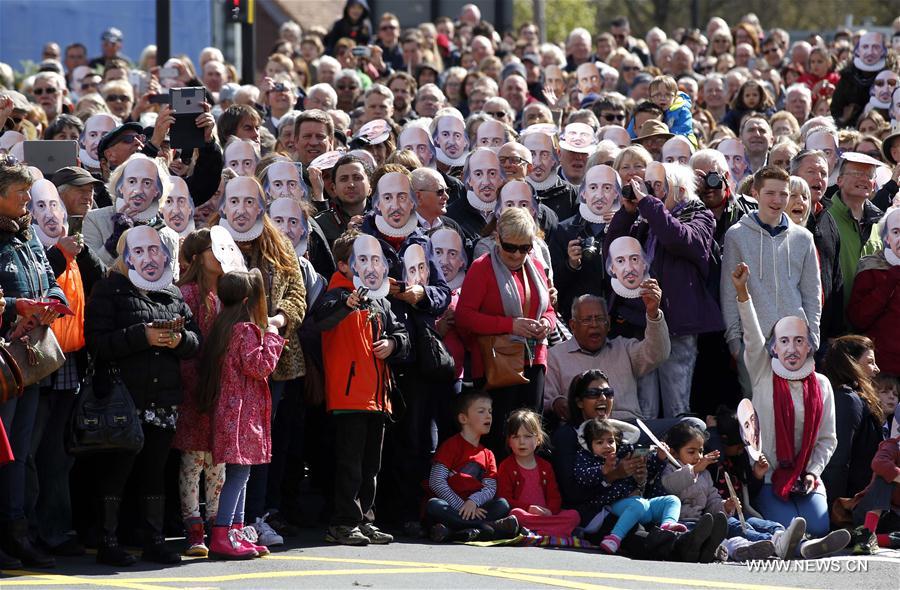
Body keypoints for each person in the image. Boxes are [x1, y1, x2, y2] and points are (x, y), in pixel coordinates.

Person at [84, 225, 200, 566]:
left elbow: (195, 343)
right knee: (116, 472)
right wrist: (142, 336)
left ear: (165, 255)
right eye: (139, 251)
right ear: (126, 256)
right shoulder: (109, 289)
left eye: (155, 251)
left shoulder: (172, 293)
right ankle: (108, 541)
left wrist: (178, 341)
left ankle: (154, 540)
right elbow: (97, 343)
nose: (148, 258)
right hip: (123, 400)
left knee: (154, 472)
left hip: (163, 402)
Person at [730, 262, 846, 548]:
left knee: (818, 526)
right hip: (770, 477)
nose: (792, 349)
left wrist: (813, 472)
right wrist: (742, 292)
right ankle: (794, 542)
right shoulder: (762, 373)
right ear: (775, 348)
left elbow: (828, 440)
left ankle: (806, 543)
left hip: (806, 478)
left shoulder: (821, 384)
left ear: (809, 346)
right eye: (784, 341)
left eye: (799, 341)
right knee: (784, 526)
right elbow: (752, 335)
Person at [313, 230, 409, 546]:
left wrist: (393, 344)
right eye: (361, 259)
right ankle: (343, 522)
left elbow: (402, 335)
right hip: (349, 395)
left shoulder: (378, 298)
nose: (369, 265)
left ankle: (365, 520)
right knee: (350, 465)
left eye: (373, 259)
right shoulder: (335, 292)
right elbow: (323, 318)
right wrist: (348, 301)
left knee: (371, 466)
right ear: (343, 265)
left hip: (377, 396)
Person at [606, 162, 721, 418]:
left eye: (657, 185)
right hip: (641, 324)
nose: (649, 191)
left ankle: (678, 456)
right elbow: (612, 253)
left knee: (676, 405)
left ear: (679, 191)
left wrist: (648, 204)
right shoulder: (645, 218)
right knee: (645, 407)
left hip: (678, 326)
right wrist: (626, 213)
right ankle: (648, 456)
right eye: (648, 184)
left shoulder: (699, 215)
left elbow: (679, 239)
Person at [0, 162, 67, 569]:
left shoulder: (27, 236)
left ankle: (17, 530)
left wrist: (52, 304)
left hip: (32, 358)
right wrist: (13, 311)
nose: (28, 200)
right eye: (19, 193)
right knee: (6, 451)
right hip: (4, 361)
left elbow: (49, 277)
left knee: (22, 451)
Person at [198, 270, 285, 559]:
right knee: (239, 475)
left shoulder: (222, 326)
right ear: (248, 300)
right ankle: (223, 532)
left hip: (231, 412)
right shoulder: (245, 330)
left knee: (240, 474)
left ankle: (235, 531)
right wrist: (272, 335)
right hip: (241, 415)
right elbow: (259, 366)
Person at [455, 207, 555, 454]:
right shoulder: (482, 267)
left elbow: (549, 310)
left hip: (534, 358)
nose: (517, 254)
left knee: (531, 434)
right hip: (496, 363)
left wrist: (546, 325)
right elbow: (464, 317)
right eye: (511, 247)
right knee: (501, 436)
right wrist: (510, 325)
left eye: (525, 248)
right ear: (497, 238)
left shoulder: (535, 266)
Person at [720, 166, 822, 395]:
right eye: (770, 193)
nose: (778, 200)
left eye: (783, 194)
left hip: (796, 342)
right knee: (758, 416)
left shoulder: (803, 238)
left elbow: (812, 294)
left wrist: (812, 338)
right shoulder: (737, 235)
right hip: (753, 342)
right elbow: (729, 292)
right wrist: (735, 342)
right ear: (755, 194)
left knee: (795, 414)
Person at [661, 421, 803, 561]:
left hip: (705, 521)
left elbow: (712, 501)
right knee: (711, 532)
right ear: (674, 452)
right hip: (683, 524)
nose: (698, 456)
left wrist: (725, 505)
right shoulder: (669, 470)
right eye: (691, 452)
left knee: (734, 524)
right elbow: (672, 485)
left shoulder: (704, 475)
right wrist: (695, 469)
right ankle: (773, 544)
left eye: (701, 451)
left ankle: (791, 542)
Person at [172, 229, 230, 558]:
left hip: (222, 385)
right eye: (213, 250)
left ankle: (218, 523)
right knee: (193, 459)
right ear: (197, 258)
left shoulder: (226, 293)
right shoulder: (188, 293)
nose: (220, 256)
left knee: (218, 460)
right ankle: (193, 527)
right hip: (194, 386)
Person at [573, 418, 684, 555]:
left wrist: (659, 457)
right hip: (615, 506)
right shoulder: (587, 457)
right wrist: (603, 470)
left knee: (672, 500)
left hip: (640, 504)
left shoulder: (625, 452)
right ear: (589, 445)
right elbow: (582, 477)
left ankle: (667, 526)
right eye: (599, 442)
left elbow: (649, 466)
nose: (607, 446)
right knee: (639, 505)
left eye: (611, 441)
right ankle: (614, 538)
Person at [426, 391, 520, 542]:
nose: (488, 416)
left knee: (502, 504)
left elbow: (490, 488)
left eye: (490, 411)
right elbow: (436, 482)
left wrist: (473, 502)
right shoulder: (451, 446)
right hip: (454, 507)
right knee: (434, 505)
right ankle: (487, 527)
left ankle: (456, 531)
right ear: (463, 418)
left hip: (476, 507)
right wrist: (463, 506)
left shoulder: (488, 453)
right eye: (481, 411)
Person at [821, 336, 886, 508]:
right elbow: (838, 459)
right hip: (852, 501)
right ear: (851, 363)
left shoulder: (854, 397)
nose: (877, 369)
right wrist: (835, 506)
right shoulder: (847, 399)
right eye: (870, 362)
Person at [496, 409, 581, 537]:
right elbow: (505, 499)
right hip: (525, 514)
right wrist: (529, 508)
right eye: (516, 437)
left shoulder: (545, 466)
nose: (522, 442)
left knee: (574, 515)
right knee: (517, 514)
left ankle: (536, 531)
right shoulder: (506, 466)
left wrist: (550, 511)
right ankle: (557, 531)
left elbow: (554, 496)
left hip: (545, 515)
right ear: (509, 441)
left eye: (527, 436)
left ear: (538, 439)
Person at [848, 207, 900, 375]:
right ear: (886, 237)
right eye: (896, 231)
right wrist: (890, 281)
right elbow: (858, 318)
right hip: (881, 372)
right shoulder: (871, 268)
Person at [827, 153, 884, 306]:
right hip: (833, 320)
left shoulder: (881, 224)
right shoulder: (824, 218)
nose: (864, 179)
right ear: (839, 180)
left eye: (869, 175)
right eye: (857, 173)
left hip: (870, 321)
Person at [649, 75, 698, 148]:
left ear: (675, 97)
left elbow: (682, 131)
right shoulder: (646, 111)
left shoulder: (681, 110)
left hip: (682, 145)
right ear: (650, 98)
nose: (662, 98)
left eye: (668, 95)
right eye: (657, 95)